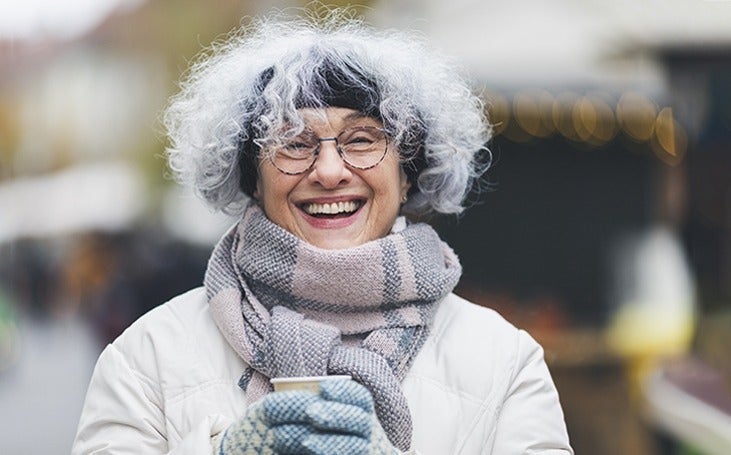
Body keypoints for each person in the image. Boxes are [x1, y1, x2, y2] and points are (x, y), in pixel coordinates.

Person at [73, 9, 573, 455]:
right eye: (293, 142)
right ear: (252, 177)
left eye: (362, 139)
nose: (330, 170)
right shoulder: (146, 359)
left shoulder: (505, 364)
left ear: (406, 174)